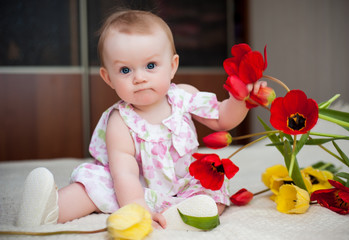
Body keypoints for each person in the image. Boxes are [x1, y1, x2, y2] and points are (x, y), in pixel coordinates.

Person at [17, 9, 265, 229]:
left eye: (151, 65)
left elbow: (222, 118)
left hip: (180, 182)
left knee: (213, 188)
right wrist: (136, 205)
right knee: (91, 187)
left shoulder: (184, 96)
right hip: (131, 187)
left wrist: (240, 99)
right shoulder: (120, 120)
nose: (139, 78)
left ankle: (184, 215)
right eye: (125, 70)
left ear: (172, 65)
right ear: (108, 77)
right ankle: (48, 209)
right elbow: (123, 172)